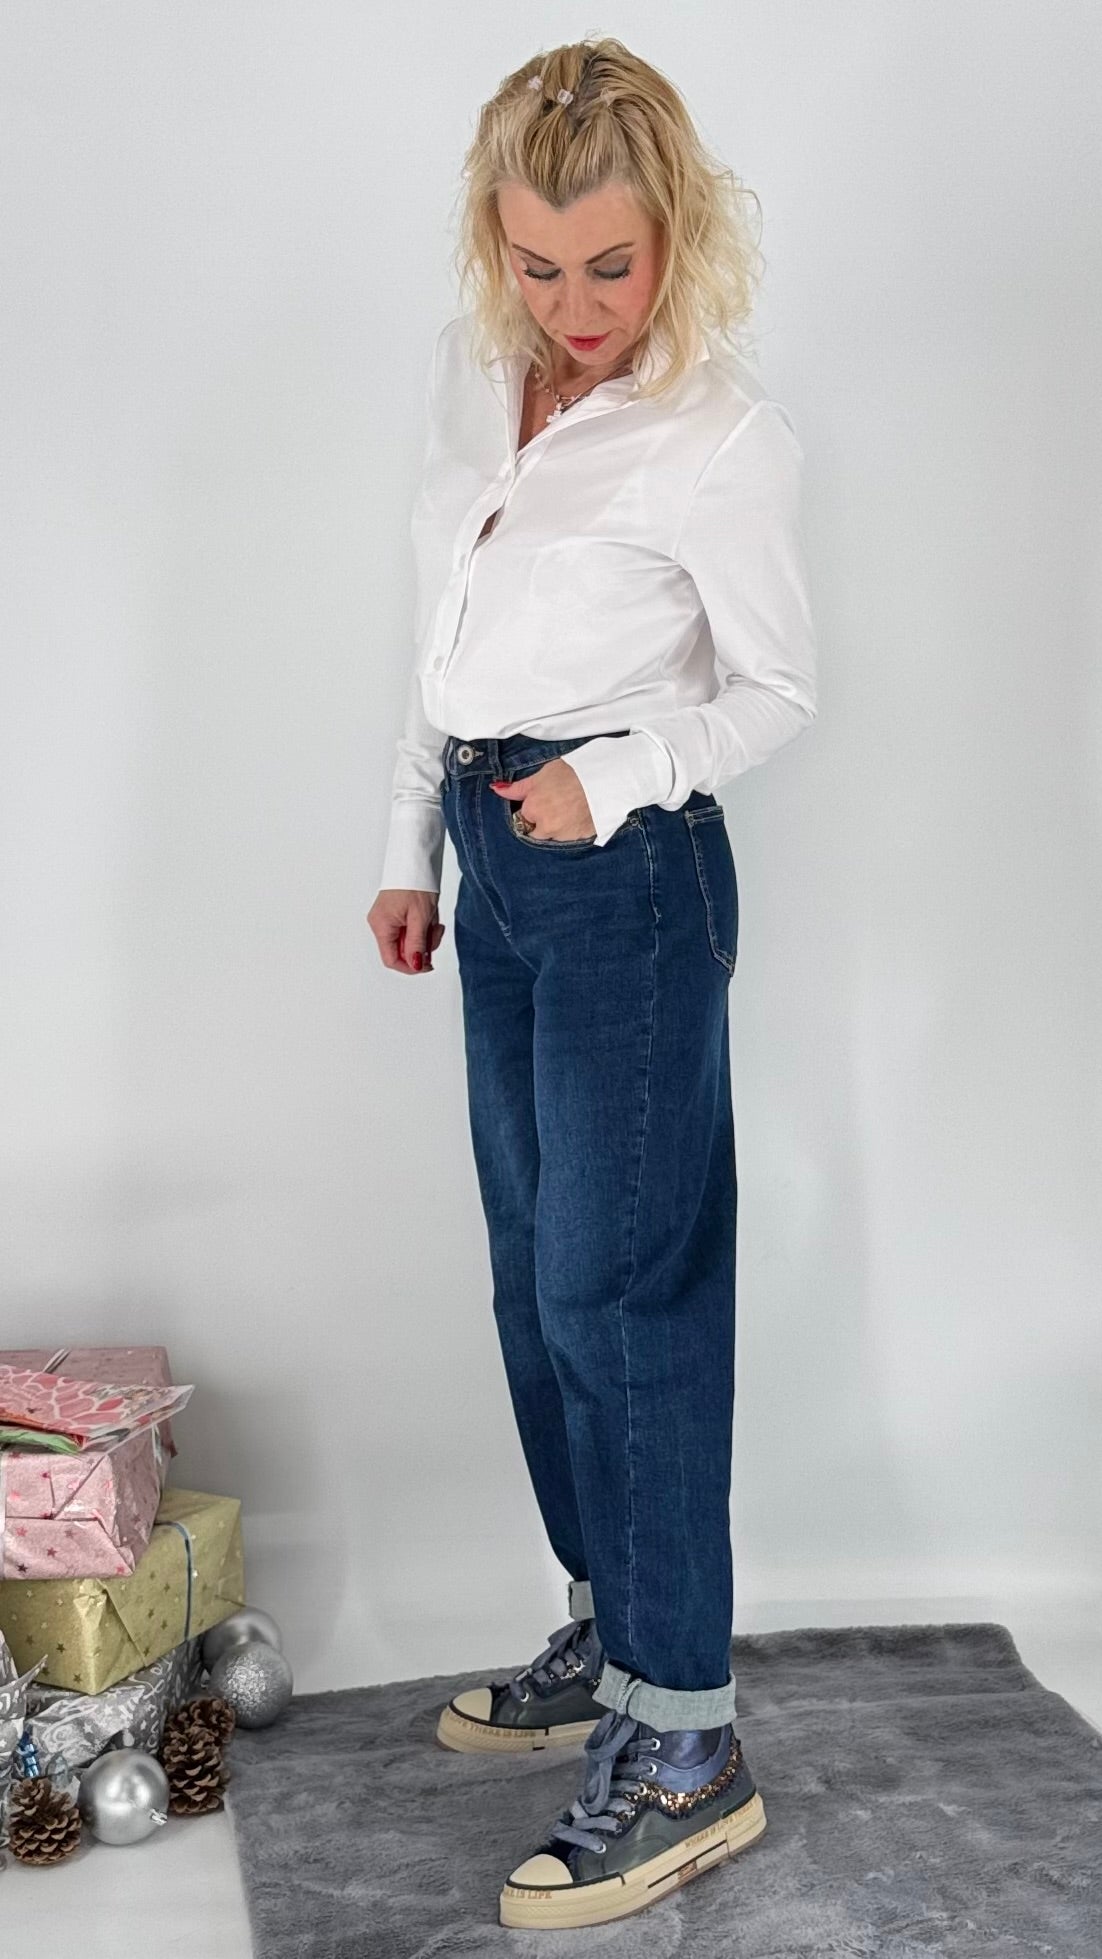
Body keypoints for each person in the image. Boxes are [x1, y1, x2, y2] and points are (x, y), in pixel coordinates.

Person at [366, 36, 817, 1931]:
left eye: (611, 267)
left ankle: (688, 1738)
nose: (574, 306)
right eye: (537, 264)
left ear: (676, 235)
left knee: (619, 1296)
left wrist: (612, 778)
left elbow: (776, 688)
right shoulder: (478, 387)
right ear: (495, 240)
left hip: (627, 876)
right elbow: (442, 638)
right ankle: (611, 1634)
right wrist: (411, 845)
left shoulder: (720, 436)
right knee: (532, 1278)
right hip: (494, 859)